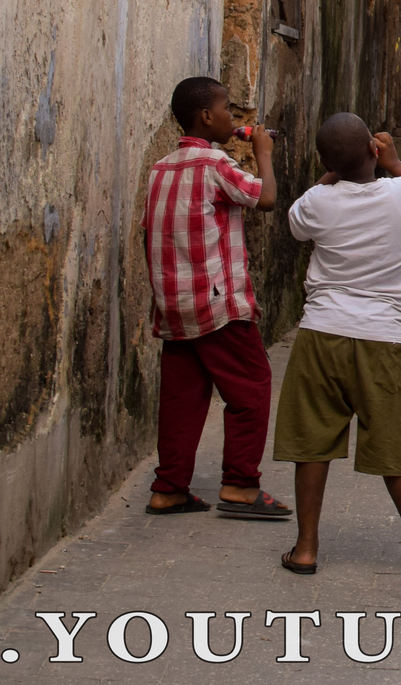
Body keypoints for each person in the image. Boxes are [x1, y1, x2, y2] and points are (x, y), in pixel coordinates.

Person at [273, 114, 401, 577]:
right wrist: (398, 163)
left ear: (326, 163)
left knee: (312, 440)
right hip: (383, 338)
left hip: (320, 334)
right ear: (374, 151)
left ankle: (305, 548)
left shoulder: (317, 201)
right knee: (395, 442)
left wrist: (332, 172)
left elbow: (296, 223)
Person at [141, 77, 292, 519]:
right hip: (218, 303)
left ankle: (169, 487)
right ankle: (241, 484)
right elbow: (264, 199)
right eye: (228, 109)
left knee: (182, 399)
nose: (235, 118)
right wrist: (263, 153)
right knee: (252, 387)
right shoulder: (214, 163)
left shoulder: (161, 168)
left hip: (172, 303)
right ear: (207, 117)